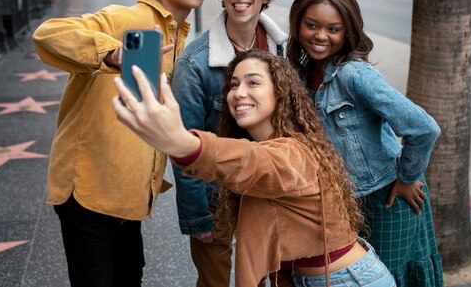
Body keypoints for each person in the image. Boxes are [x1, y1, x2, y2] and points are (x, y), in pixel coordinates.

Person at [32, 0, 221, 287]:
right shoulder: (127, 20)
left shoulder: (177, 36)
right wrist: (112, 52)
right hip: (88, 190)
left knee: (129, 276)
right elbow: (47, 34)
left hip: (127, 196)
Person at [112, 50, 396, 287]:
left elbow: (251, 161)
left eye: (253, 83)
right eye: (233, 85)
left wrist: (184, 143)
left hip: (349, 280)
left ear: (280, 92)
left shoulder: (293, 151)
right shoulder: (273, 145)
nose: (239, 93)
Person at [286, 0, 443, 287]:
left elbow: (424, 128)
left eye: (334, 29)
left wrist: (407, 177)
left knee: (387, 278)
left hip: (386, 198)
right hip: (343, 202)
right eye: (312, 25)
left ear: (348, 32)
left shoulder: (354, 75)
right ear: (298, 24)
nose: (321, 36)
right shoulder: (301, 72)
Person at [170, 0, 287, 287]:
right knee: (215, 282)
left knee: (267, 278)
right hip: (216, 194)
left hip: (269, 187)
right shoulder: (195, 64)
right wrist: (196, 217)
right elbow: (184, 147)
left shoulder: (283, 50)